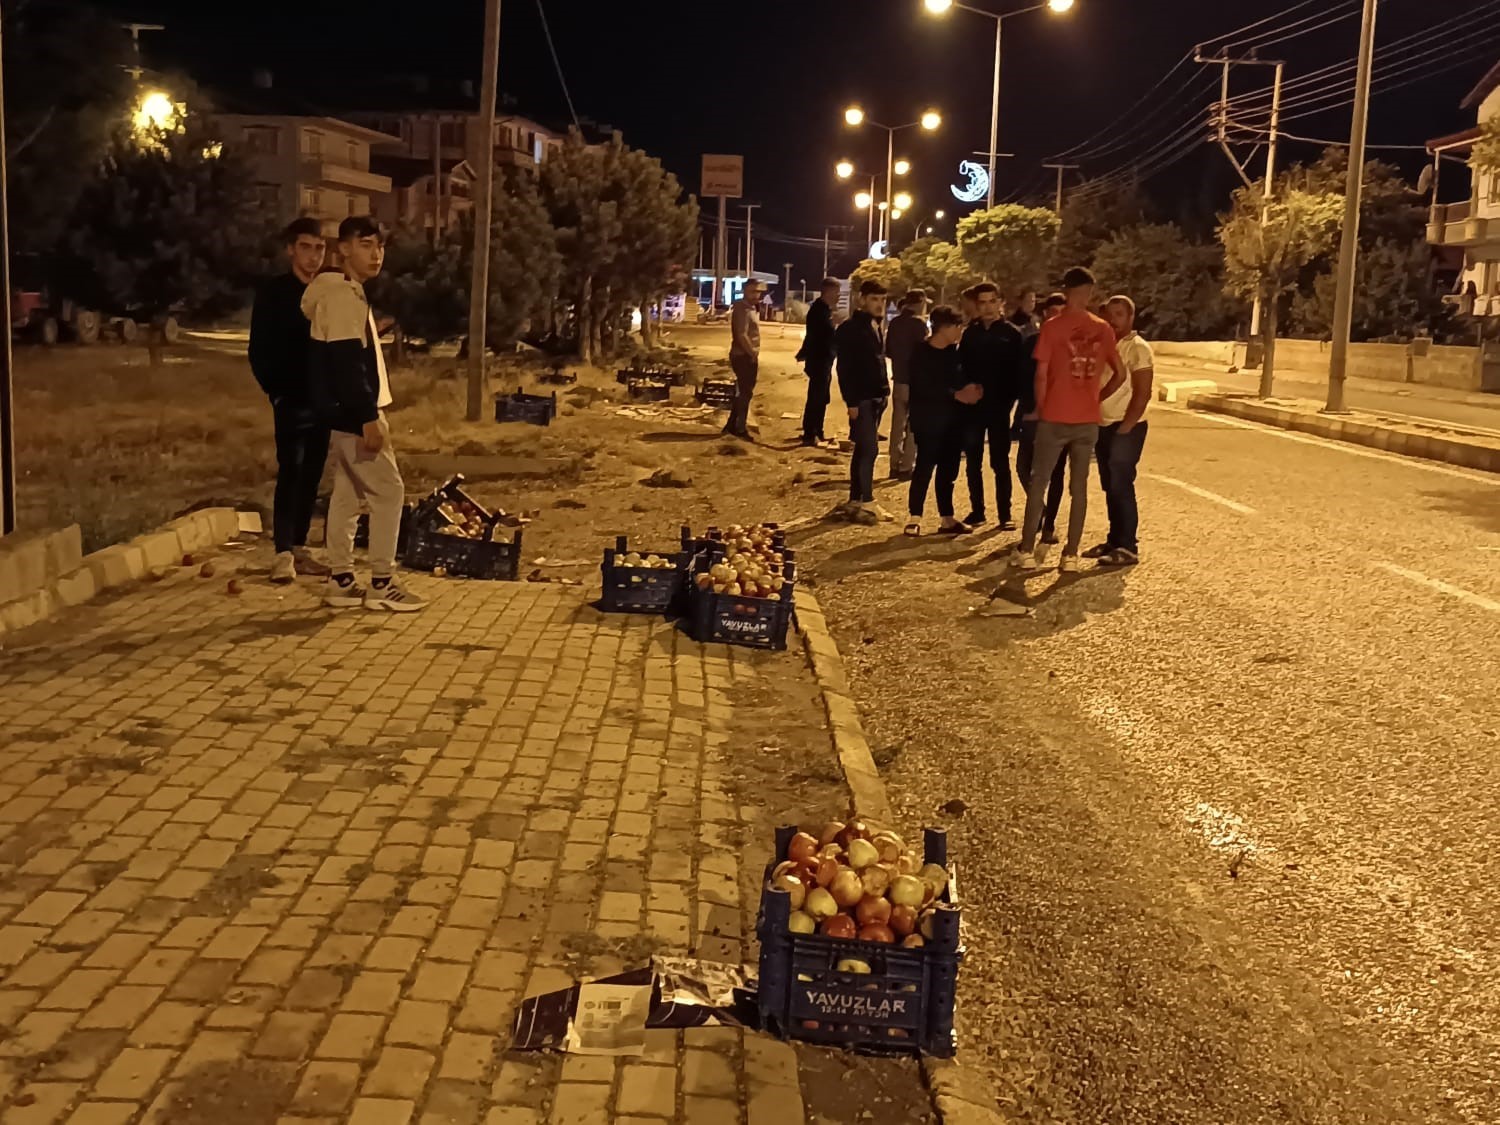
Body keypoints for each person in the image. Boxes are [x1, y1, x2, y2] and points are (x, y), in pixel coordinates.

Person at [304, 216, 425, 612]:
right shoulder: (341, 295)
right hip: (354, 414)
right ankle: (382, 583)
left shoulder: (346, 293)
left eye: (380, 246)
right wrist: (366, 417)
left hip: (344, 415)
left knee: (347, 494)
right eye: (366, 245)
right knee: (389, 492)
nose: (376, 255)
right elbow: (345, 364)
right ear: (344, 249)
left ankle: (340, 579)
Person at [1012, 267, 1126, 572]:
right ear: (1089, 291)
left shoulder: (1053, 327)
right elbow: (1120, 373)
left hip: (1055, 416)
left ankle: (1025, 550)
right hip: (1086, 419)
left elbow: (1041, 374)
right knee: (1079, 488)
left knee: (1039, 483)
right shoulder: (1103, 329)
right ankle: (1071, 554)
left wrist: (1042, 406)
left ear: (1067, 290)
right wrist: (1096, 398)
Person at [250, 218, 332, 585]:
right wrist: (277, 391)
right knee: (291, 471)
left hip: (324, 400)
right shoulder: (274, 292)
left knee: (313, 473)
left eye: (319, 248)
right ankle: (282, 552)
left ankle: (299, 546)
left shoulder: (330, 291)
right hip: (291, 399)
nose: (313, 256)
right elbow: (259, 349)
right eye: (306, 247)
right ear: (290, 249)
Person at [1088, 295, 1155, 566]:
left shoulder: (1138, 348)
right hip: (1104, 424)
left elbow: (1143, 392)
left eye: (1118, 314)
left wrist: (1126, 428)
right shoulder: (1104, 346)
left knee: (1121, 485)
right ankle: (1114, 540)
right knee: (1110, 486)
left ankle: (1128, 546)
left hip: (1126, 426)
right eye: (1108, 315)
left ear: (1130, 318)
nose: (1112, 320)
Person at [905, 305, 982, 536]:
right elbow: (922, 387)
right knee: (924, 468)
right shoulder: (920, 353)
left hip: (954, 422)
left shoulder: (955, 353)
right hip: (928, 421)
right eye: (958, 326)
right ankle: (914, 517)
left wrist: (971, 389)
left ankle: (947, 518)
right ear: (945, 327)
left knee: (949, 471)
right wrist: (954, 394)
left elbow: (961, 379)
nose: (961, 331)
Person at [958, 282, 1025, 529]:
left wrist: (1010, 402)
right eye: (982, 302)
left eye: (991, 301)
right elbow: (961, 366)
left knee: (1000, 461)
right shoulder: (970, 334)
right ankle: (977, 511)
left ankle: (1005, 514)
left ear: (1000, 303)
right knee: (973, 461)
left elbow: (1019, 373)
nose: (987, 307)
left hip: (999, 408)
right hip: (973, 408)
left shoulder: (1012, 334)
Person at [1013, 292, 1067, 549]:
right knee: (1024, 467)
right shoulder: (1032, 341)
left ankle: (1048, 525)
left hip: (1059, 416)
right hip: (1032, 413)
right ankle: (1040, 510)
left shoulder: (1072, 345)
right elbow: (1023, 379)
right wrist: (1022, 411)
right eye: (1052, 313)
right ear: (1045, 315)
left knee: (1055, 473)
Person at [836, 280, 892, 524]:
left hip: (877, 396)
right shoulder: (850, 329)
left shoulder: (876, 325)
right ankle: (867, 501)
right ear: (861, 300)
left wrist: (885, 391)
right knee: (870, 449)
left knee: (862, 449)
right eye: (874, 299)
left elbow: (878, 361)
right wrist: (852, 401)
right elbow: (845, 368)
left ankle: (856, 498)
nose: (879, 305)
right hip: (863, 399)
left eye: (882, 300)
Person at [884, 289, 929, 481]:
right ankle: (906, 466)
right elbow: (925, 352)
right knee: (914, 425)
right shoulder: (919, 324)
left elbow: (888, 351)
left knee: (897, 422)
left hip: (899, 379)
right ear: (919, 303)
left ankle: (894, 463)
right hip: (916, 381)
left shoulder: (894, 323)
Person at [796, 278, 840, 447]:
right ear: (828, 292)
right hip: (819, 359)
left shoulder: (824, 309)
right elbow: (820, 335)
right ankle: (810, 433)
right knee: (817, 396)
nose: (838, 296)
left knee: (821, 396)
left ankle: (817, 431)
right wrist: (835, 325)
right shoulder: (819, 310)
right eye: (836, 293)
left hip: (823, 359)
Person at [725, 279, 764, 440]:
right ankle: (740, 428)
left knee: (744, 392)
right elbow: (741, 334)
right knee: (745, 393)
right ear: (744, 292)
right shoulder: (742, 308)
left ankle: (731, 425)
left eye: (757, 291)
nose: (756, 295)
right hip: (743, 356)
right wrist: (752, 354)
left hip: (746, 355)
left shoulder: (751, 309)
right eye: (752, 291)